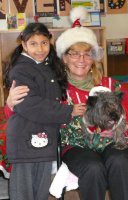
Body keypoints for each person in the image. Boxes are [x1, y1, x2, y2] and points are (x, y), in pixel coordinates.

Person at [5, 7, 128, 200]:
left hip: (115, 141)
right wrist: (10, 104)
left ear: (94, 58)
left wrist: (124, 128)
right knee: (92, 168)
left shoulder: (109, 84)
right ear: (64, 58)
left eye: (87, 54)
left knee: (119, 160)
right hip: (76, 146)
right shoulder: (54, 88)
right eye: (74, 54)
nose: (81, 59)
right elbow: (31, 112)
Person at [4, 22, 84, 200]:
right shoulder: (21, 69)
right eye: (33, 43)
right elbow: (30, 104)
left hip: (44, 137)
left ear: (50, 42)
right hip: (25, 139)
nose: (39, 49)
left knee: (41, 190)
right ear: (24, 44)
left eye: (44, 43)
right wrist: (68, 111)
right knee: (23, 192)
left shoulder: (47, 66)